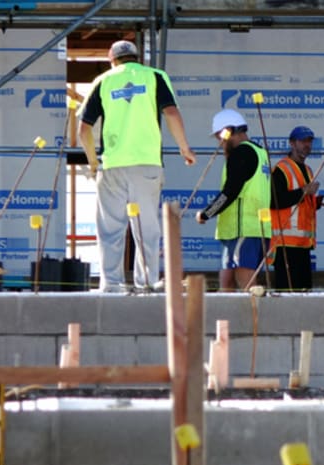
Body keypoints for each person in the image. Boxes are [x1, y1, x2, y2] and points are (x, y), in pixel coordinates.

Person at [79, 40, 196, 294]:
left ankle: (111, 284)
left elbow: (84, 129)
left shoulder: (104, 80)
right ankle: (147, 283)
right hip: (146, 164)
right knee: (146, 226)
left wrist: (92, 162)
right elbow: (172, 113)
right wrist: (184, 148)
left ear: (112, 60)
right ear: (137, 58)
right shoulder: (155, 76)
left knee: (110, 227)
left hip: (112, 165)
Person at [196, 109, 271, 292]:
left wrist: (207, 213)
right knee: (226, 284)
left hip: (244, 230)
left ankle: (253, 320)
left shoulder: (241, 154)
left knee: (247, 286)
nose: (220, 142)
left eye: (220, 136)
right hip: (249, 230)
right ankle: (227, 320)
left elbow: (230, 192)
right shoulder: (260, 153)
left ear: (228, 131)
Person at [270, 125, 324, 291]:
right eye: (302, 141)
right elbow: (274, 201)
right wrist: (303, 191)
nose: (307, 145)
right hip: (285, 244)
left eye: (309, 141)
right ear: (292, 143)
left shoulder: (307, 170)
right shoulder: (281, 169)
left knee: (304, 293)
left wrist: (318, 202)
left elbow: (302, 205)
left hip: (303, 244)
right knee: (287, 293)